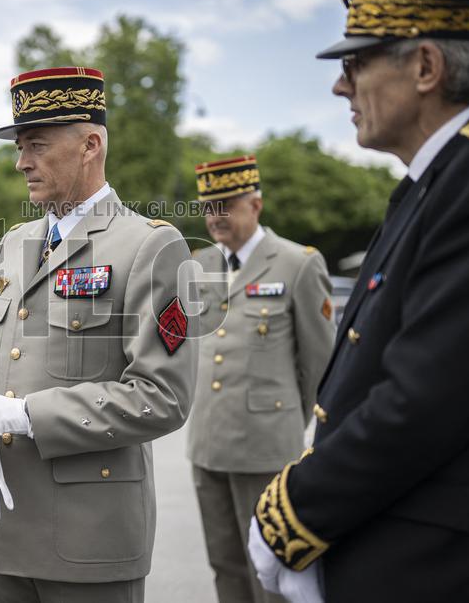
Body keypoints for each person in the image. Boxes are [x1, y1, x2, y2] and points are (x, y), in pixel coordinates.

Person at [248, 0, 469, 603]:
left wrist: (294, 513)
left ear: (425, 67)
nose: (340, 85)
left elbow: (427, 398)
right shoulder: (442, 179)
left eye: (356, 64)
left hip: (454, 567)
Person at [0, 67, 199, 603]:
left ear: (90, 144)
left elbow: (164, 397)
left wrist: (28, 414)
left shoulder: (150, 246)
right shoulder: (16, 243)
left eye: (36, 145)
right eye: (20, 145)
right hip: (7, 528)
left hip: (90, 539)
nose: (21, 162)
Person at [187, 156, 335, 603]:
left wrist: (287, 419)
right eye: (208, 206)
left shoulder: (297, 264)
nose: (215, 217)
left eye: (226, 205)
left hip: (267, 448)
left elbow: (319, 364)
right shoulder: (200, 263)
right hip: (208, 444)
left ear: (256, 204)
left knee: (270, 572)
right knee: (225, 565)